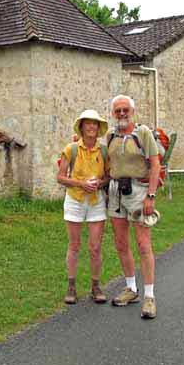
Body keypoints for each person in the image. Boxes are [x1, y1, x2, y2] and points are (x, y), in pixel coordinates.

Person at [106, 95, 160, 319]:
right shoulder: (110, 136)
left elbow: (155, 163)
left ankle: (149, 296)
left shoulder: (143, 133)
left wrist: (151, 195)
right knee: (120, 243)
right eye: (117, 110)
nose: (121, 114)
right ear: (112, 113)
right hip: (115, 191)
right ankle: (131, 289)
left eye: (125, 110)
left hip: (138, 191)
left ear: (132, 111)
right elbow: (107, 163)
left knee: (143, 244)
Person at [56, 109, 110, 305]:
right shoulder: (71, 149)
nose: (91, 127)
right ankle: (71, 286)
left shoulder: (103, 151)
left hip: (96, 201)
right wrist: (81, 184)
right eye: (87, 123)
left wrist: (99, 183)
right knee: (74, 245)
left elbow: (108, 176)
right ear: (81, 127)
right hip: (75, 200)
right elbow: (60, 177)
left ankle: (96, 286)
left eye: (95, 124)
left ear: (98, 128)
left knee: (95, 247)